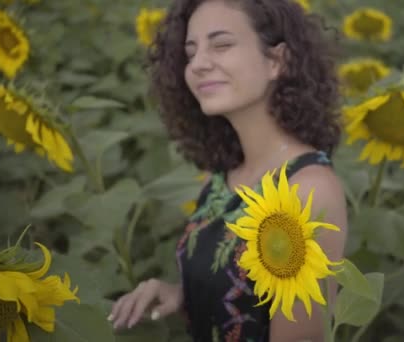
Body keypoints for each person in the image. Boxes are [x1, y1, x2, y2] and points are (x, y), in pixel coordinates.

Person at [109, 0, 348, 340]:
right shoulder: (226, 176)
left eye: (221, 45)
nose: (198, 65)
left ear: (276, 61)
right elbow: (245, 290)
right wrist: (181, 294)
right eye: (190, 53)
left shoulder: (307, 190)